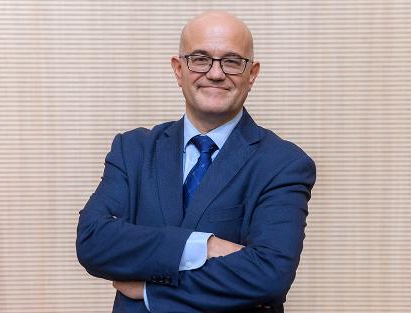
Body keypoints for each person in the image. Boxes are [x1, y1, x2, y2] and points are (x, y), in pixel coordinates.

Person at [76, 10, 316, 313]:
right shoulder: (133, 150)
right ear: (178, 69)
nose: (216, 73)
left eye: (232, 61)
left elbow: (269, 274)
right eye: (200, 59)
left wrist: (151, 290)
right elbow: (93, 240)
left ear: (252, 74)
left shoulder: (284, 163)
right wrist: (203, 246)